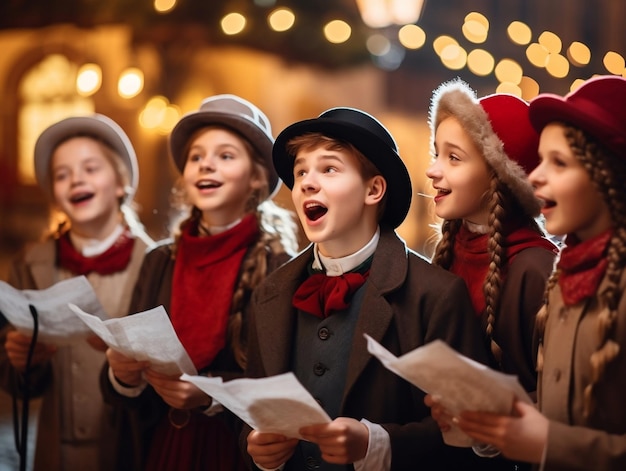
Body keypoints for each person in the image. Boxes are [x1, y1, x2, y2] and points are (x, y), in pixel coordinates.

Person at [242, 106, 490, 471]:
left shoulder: (435, 296)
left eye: (328, 168)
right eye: (301, 172)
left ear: (373, 189)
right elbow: (249, 411)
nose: (307, 182)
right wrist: (259, 451)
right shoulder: (270, 292)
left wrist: (379, 445)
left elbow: (473, 439)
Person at [101, 94, 299, 471]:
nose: (206, 163)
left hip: (233, 451)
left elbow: (278, 383)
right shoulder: (159, 260)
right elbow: (125, 390)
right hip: (161, 444)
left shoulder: (279, 268)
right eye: (196, 156)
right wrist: (121, 375)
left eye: (225, 155)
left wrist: (211, 395)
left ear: (256, 177)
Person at [439, 75, 626, 470]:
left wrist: (548, 444)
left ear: (607, 173)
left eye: (558, 163)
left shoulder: (536, 270)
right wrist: (493, 430)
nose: (535, 176)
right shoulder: (564, 278)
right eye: (540, 160)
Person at [0, 114, 154, 471]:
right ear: (55, 194)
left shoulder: (155, 261)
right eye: (62, 174)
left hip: (131, 449)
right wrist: (21, 362)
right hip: (57, 450)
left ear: (121, 183)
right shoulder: (31, 263)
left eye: (90, 168)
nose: (76, 180)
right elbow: (13, 380)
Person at [425, 79, 557, 393]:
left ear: (498, 177)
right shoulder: (449, 251)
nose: (433, 170)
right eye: (436, 154)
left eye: (453, 158)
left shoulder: (536, 270)